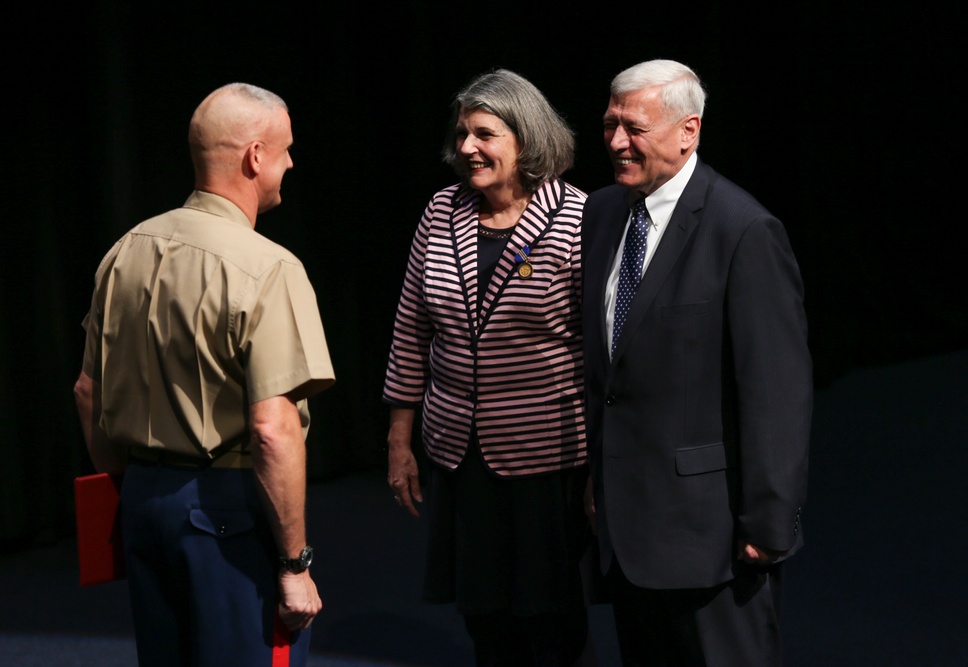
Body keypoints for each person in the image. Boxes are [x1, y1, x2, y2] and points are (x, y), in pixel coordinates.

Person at [73, 83, 335, 667]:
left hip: (140, 502)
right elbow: (273, 429)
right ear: (254, 156)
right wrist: (295, 565)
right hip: (228, 516)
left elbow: (87, 391)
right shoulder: (269, 267)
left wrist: (137, 486)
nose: (291, 162)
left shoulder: (124, 251)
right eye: (286, 149)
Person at [581, 60, 812, 666]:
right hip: (627, 536)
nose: (615, 142)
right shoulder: (601, 215)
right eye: (609, 124)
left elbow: (776, 394)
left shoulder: (744, 231)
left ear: (689, 130)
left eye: (634, 127)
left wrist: (767, 522)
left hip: (712, 541)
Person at [383, 69, 591, 667]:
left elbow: (602, 347)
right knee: (484, 614)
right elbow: (409, 329)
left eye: (485, 133)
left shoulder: (576, 218)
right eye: (463, 134)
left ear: (526, 138)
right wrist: (401, 440)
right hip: (459, 453)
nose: (467, 147)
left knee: (550, 618)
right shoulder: (442, 211)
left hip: (545, 457)